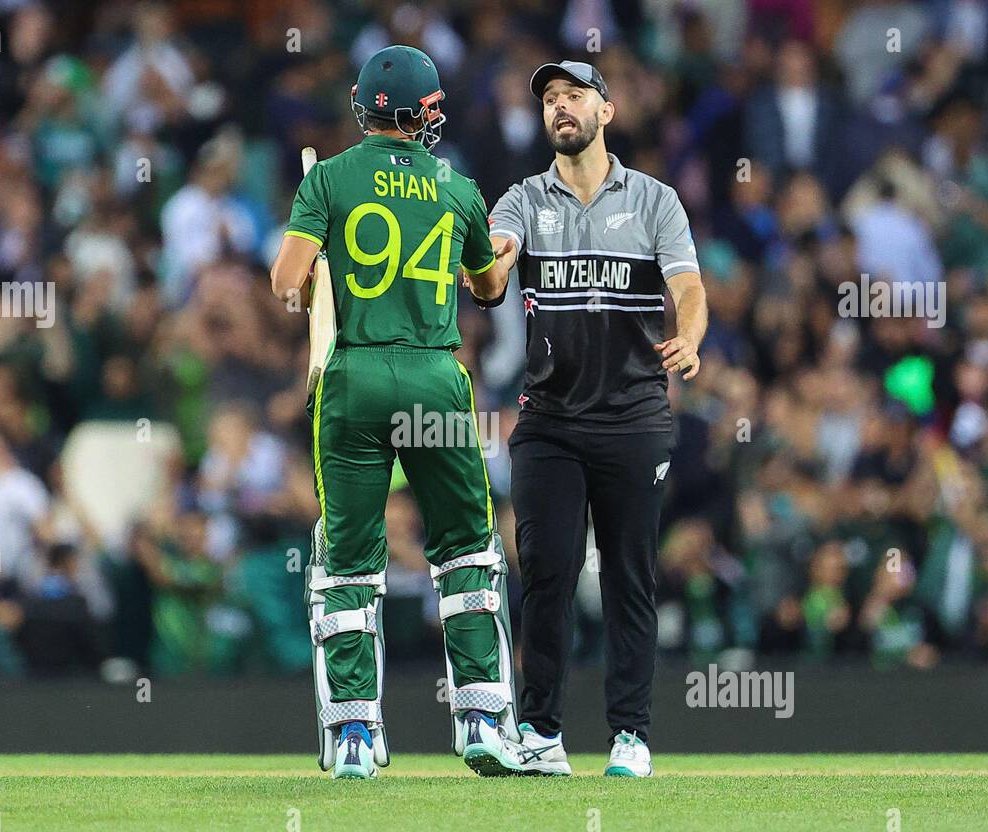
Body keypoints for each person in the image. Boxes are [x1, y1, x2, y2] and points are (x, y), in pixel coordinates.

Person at [270, 45, 520, 779]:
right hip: (436, 375)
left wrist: (319, 265)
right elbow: (488, 290)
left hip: (350, 377)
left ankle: (352, 736)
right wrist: (500, 252)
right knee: (467, 551)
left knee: (347, 562)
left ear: (363, 108)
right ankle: (481, 720)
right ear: (424, 113)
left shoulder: (328, 179)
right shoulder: (460, 187)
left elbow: (287, 283)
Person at [486, 61, 708, 777]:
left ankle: (630, 737)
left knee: (629, 576)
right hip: (548, 419)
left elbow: (689, 286)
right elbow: (493, 274)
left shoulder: (654, 201)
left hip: (634, 417)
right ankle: (542, 734)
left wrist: (694, 336)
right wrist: (484, 265)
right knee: (546, 573)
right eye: (549, 98)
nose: (559, 107)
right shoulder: (522, 199)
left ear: (606, 111)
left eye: (573, 95)